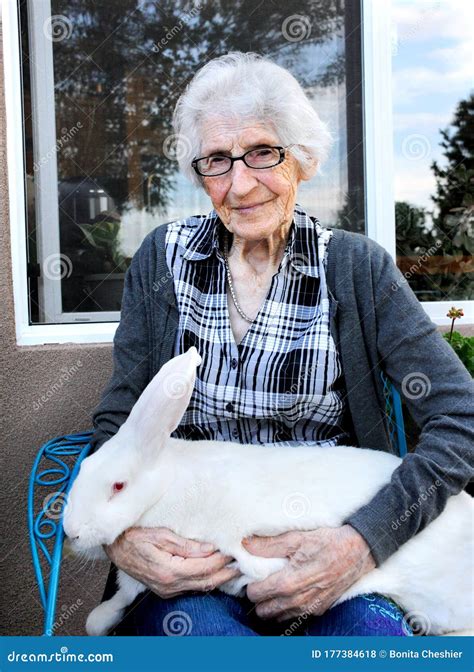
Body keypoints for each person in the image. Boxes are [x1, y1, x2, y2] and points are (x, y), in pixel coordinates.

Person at [90, 52, 473, 637]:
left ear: (302, 160)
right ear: (200, 173)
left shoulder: (355, 269)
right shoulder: (162, 262)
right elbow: (122, 422)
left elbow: (461, 416)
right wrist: (122, 539)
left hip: (336, 565)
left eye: (263, 153)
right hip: (194, 568)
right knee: (206, 642)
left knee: (369, 643)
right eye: (218, 160)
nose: (240, 184)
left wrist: (363, 543)